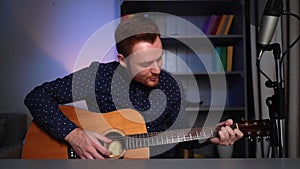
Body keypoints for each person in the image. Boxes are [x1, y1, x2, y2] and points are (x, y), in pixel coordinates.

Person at [24, 14, 243, 159]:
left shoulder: (170, 85)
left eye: (159, 58)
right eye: (147, 63)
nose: (157, 69)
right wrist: (74, 135)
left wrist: (211, 135)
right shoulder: (97, 76)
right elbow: (36, 97)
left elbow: (179, 135)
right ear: (122, 60)